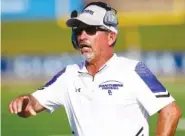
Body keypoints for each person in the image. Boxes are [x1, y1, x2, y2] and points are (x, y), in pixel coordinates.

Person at [9, 2, 181, 136]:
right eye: (79, 30)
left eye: (90, 29)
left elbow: (170, 111)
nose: (82, 35)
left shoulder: (133, 70)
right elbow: (31, 106)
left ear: (111, 36)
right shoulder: (69, 76)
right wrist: (25, 101)